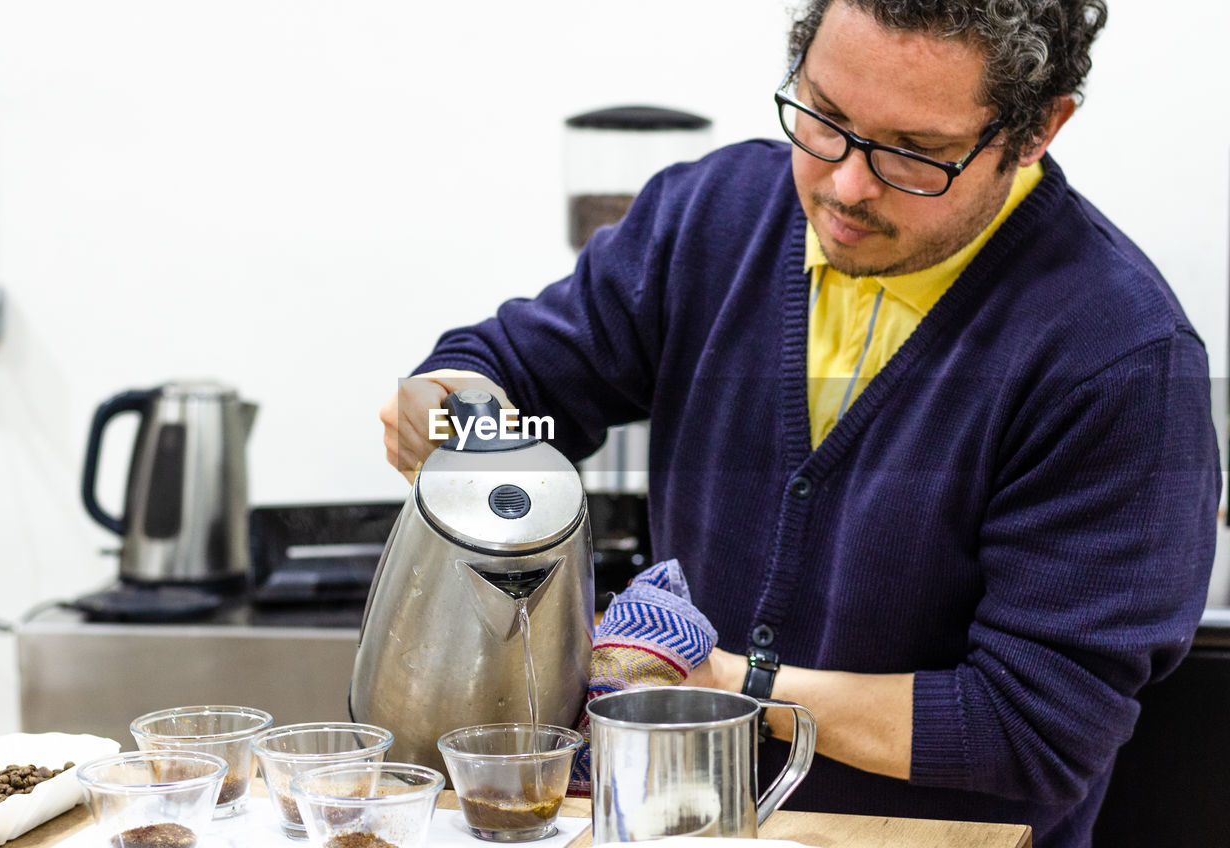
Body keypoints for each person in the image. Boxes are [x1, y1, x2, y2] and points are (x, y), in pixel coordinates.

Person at [379, 2, 1221, 846]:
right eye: (824, 117)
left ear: (1038, 128)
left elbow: (1034, 729)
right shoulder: (710, 218)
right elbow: (523, 376)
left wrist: (717, 681)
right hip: (676, 828)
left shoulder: (1120, 361)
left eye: (914, 153)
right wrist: (456, 403)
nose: (846, 185)